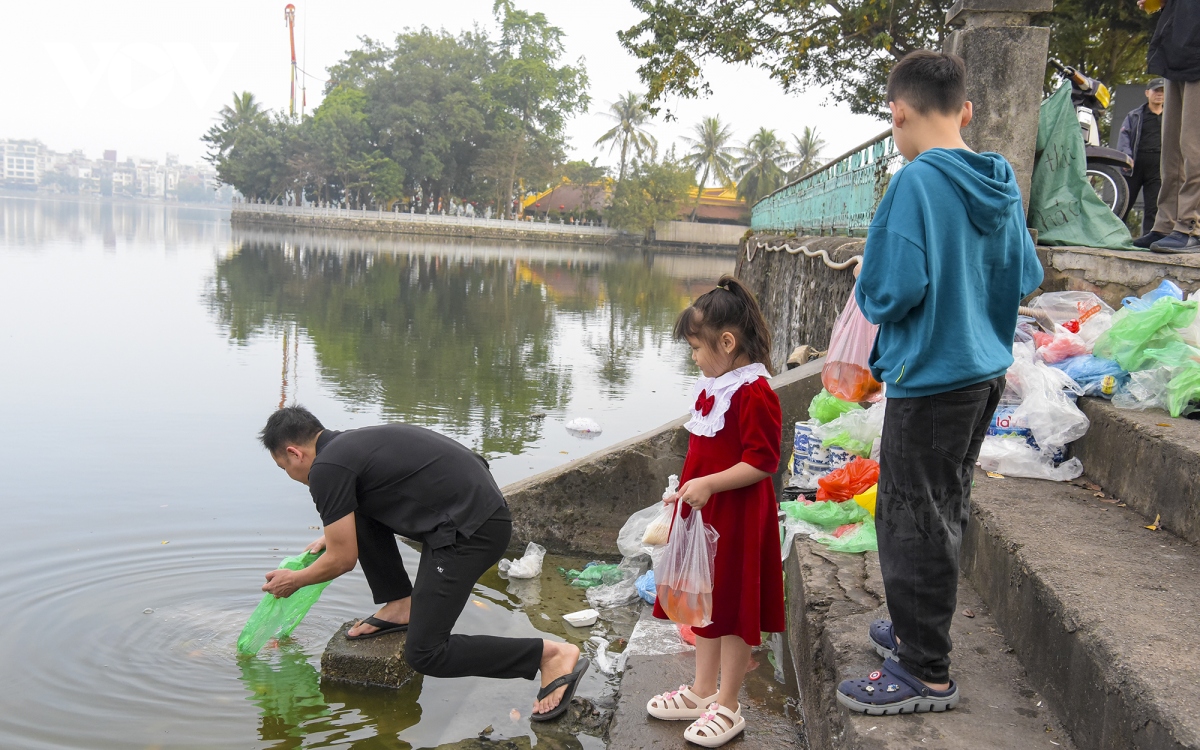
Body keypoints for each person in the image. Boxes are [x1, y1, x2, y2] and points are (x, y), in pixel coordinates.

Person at [836, 50, 1043, 716]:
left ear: (897, 113)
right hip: (982, 374)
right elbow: (1028, 275)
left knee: (908, 517)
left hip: (930, 379)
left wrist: (873, 264)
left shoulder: (915, 184)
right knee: (944, 504)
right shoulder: (1000, 180)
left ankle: (924, 670)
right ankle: (911, 629)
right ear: (968, 111)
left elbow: (891, 292)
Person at [257, 406, 588, 721]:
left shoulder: (326, 469)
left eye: (283, 467)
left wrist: (295, 579)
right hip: (469, 512)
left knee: (426, 653)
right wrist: (334, 534)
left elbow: (343, 559)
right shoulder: (347, 448)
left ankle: (550, 655)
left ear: (294, 453)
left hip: (471, 531)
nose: (290, 475)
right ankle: (401, 604)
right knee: (355, 511)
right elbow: (372, 502)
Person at [643, 275, 785, 747]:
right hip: (704, 517)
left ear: (727, 342)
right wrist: (684, 489)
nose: (694, 359)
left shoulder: (754, 392)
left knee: (733, 608)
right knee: (703, 604)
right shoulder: (716, 385)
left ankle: (728, 702)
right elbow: (703, 453)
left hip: (738, 519)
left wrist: (707, 484)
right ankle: (702, 691)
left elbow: (763, 461)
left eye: (697, 349)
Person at [1141, 0, 1200, 253]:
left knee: (1193, 147)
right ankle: (1166, 224)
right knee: (1172, 150)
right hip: (1176, 50)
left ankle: (1191, 226)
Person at [1121, 78, 1166, 244]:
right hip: (1134, 164)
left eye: (1162, 91)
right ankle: (1116, 236)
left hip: (1158, 165)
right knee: (1125, 201)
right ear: (1147, 93)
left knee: (1154, 206)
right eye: (1156, 91)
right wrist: (1126, 157)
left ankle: (1150, 239)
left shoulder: (1171, 117)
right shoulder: (1135, 115)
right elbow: (1124, 136)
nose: (1159, 94)